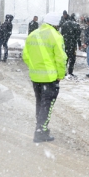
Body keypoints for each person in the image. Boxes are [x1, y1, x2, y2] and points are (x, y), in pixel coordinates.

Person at [22, 12, 67, 143]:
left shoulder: (33, 34)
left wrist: (34, 66)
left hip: (35, 77)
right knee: (47, 105)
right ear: (56, 24)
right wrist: (60, 75)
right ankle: (40, 132)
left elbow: (25, 55)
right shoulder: (56, 36)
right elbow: (61, 58)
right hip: (50, 78)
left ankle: (41, 128)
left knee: (40, 103)